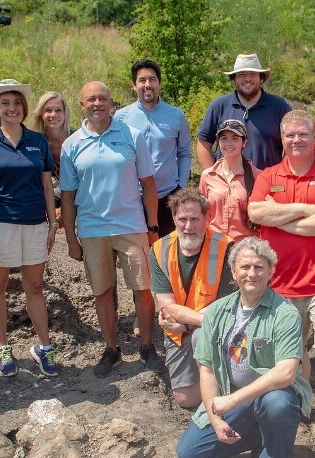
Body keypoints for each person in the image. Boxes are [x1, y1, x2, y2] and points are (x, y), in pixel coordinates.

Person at [176, 237, 311, 458]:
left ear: (271, 271)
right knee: (190, 457)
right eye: (245, 267)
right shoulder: (216, 312)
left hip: (267, 395)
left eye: (260, 267)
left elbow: (286, 373)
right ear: (234, 271)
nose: (252, 273)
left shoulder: (285, 313)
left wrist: (233, 400)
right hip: (234, 399)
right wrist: (216, 420)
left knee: (277, 404)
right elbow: (207, 370)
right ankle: (260, 434)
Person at [247, 110, 315, 435]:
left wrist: (279, 217)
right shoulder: (268, 175)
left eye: (303, 134)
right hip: (281, 283)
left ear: (314, 137)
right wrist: (307, 209)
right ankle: (301, 401)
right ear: (282, 138)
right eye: (290, 135)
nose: (296, 140)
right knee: (293, 347)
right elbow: (255, 211)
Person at [60, 81, 162, 378]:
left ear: (111, 102)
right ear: (81, 105)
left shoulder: (132, 135)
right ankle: (112, 349)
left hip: (131, 224)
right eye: (91, 99)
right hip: (92, 230)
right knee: (102, 291)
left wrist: (152, 226)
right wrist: (71, 239)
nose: (97, 104)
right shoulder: (72, 144)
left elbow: (149, 185)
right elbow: (67, 197)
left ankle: (146, 345)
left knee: (143, 289)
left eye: (103, 98)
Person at [0, 79, 60, 378]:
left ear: (23, 108)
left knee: (35, 287)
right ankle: (3, 347)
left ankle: (44, 348)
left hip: (34, 222)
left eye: (16, 103)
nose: (11, 108)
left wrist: (52, 224)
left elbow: (47, 185)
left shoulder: (37, 141)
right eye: (5, 103)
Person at [150, 188, 236, 408]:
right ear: (174, 218)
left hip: (214, 327)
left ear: (207, 217)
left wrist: (189, 326)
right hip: (178, 329)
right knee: (185, 400)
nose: (188, 226)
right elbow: (167, 306)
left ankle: (226, 389)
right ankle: (217, 385)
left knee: (200, 337)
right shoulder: (159, 249)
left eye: (195, 219)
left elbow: (224, 307)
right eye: (183, 219)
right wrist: (185, 325)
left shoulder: (226, 247)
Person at [115, 60, 192, 237]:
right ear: (134, 85)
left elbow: (184, 152)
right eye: (142, 80)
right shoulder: (121, 117)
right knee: (138, 251)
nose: (147, 85)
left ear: (160, 83)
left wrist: (181, 186)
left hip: (168, 195)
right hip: (133, 197)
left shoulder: (176, 115)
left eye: (152, 79)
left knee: (167, 250)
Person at [196, 53, 291, 171]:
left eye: (253, 74)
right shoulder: (219, 105)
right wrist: (212, 177)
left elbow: (291, 145)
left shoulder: (279, 106)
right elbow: (203, 143)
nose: (247, 79)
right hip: (227, 185)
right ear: (234, 79)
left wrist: (280, 175)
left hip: (268, 184)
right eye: (241, 75)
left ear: (261, 78)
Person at [198, 119, 259, 242]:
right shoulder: (207, 176)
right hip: (214, 244)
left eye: (235, 138)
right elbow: (202, 213)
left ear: (244, 142)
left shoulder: (258, 176)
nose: (228, 143)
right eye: (224, 138)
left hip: (245, 246)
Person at [29, 91, 72, 209]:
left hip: (84, 192)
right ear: (41, 115)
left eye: (58, 110)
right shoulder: (36, 144)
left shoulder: (77, 138)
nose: (53, 114)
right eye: (48, 110)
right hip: (58, 192)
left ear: (65, 113)